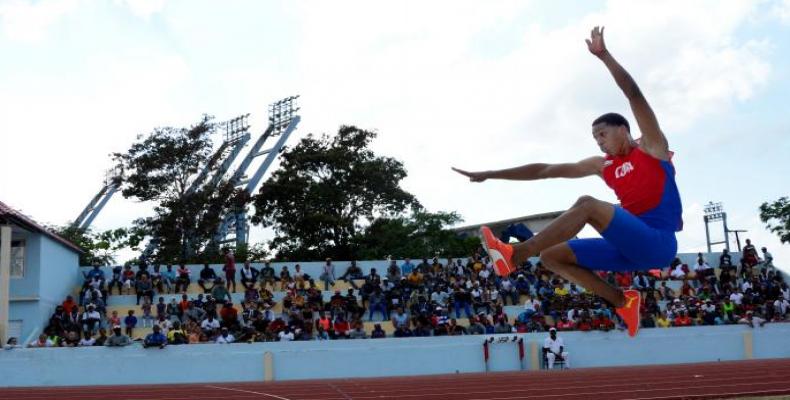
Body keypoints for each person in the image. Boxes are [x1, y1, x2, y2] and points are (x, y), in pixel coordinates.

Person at [454, 27, 681, 337]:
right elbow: (545, 169)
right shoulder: (603, 166)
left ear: (624, 130)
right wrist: (491, 174)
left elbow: (633, 94)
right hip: (628, 246)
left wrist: (604, 56)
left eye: (603, 134)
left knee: (588, 205)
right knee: (552, 256)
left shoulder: (652, 147)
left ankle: (516, 255)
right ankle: (622, 301)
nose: (599, 143)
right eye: (594, 138)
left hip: (657, 241)